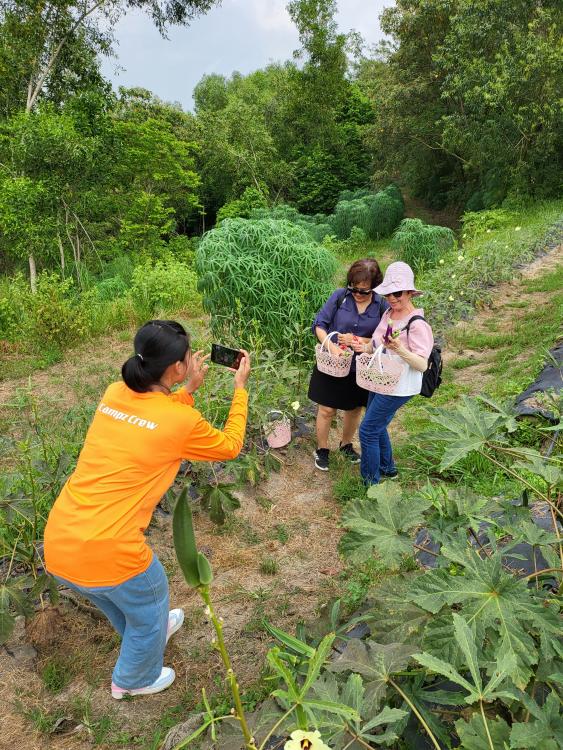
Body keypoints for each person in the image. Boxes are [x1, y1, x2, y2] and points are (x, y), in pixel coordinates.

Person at [44, 320, 251, 699]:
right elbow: (230, 446)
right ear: (175, 367)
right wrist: (240, 390)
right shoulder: (181, 421)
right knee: (152, 590)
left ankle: (148, 627)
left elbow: (152, 420)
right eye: (189, 356)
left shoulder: (114, 393)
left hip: (61, 541)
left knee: (117, 598)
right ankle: (133, 679)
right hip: (110, 550)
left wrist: (186, 391)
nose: (192, 360)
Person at [351, 262, 433, 485]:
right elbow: (378, 342)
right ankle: (387, 468)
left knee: (367, 430)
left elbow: (422, 364)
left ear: (409, 292)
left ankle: (371, 483)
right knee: (376, 425)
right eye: (388, 294)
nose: (392, 298)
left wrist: (399, 349)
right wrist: (360, 345)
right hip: (381, 377)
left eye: (397, 294)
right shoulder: (389, 313)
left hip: (400, 386)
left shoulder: (417, 324)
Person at [308, 258, 388, 471]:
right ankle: (322, 449)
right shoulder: (339, 297)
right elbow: (319, 325)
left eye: (364, 291)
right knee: (326, 409)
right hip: (333, 363)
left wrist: (357, 341)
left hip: (361, 367)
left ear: (374, 287)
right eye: (354, 288)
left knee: (354, 409)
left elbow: (385, 339)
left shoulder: (382, 304)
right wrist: (332, 347)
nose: (357, 293)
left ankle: (346, 444)